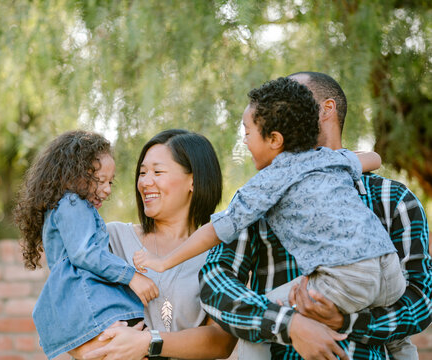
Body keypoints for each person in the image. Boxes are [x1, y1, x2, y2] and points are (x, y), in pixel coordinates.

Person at [134, 77, 411, 358]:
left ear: (275, 139)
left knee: (261, 326)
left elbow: (214, 231)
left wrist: (163, 261)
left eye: (247, 133)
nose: (243, 141)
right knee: (401, 341)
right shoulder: (330, 160)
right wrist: (338, 161)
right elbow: (373, 158)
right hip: (389, 272)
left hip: (347, 279)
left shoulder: (266, 183)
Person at [200, 72, 432, 359]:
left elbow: (421, 301)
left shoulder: (394, 200)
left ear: (326, 109)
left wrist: (349, 323)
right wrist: (288, 324)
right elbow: (215, 282)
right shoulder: (260, 196)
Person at [82, 129, 237, 360]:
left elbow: (221, 341)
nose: (145, 182)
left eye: (157, 171)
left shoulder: (220, 251)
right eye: (142, 173)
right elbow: (69, 307)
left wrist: (148, 342)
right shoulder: (111, 238)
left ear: (193, 180)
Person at [13, 130, 159, 360]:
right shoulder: (72, 202)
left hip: (84, 308)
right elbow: (85, 252)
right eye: (100, 181)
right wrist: (132, 276)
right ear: (71, 176)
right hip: (93, 305)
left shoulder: (66, 206)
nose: (108, 189)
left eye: (110, 182)